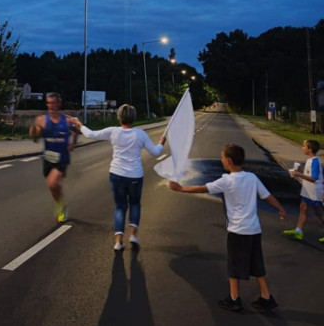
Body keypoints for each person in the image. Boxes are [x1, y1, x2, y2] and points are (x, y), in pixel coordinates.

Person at [169, 143, 286, 312]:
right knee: (256, 264)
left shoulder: (227, 181)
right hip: (254, 229)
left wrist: (180, 189)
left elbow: (202, 188)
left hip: (238, 230)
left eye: (223, 157)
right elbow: (267, 197)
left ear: (229, 161)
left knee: (233, 265)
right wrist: (280, 209)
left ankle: (234, 299)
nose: (222, 160)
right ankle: (266, 297)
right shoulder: (252, 178)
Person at [74, 104, 166, 251]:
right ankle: (134, 236)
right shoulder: (140, 134)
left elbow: (90, 134)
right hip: (135, 176)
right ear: (134, 118)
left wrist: (79, 124)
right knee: (135, 204)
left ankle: (118, 242)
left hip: (116, 175)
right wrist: (161, 143)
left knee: (120, 207)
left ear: (119, 117)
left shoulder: (113, 132)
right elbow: (155, 152)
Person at [29, 92, 78, 223]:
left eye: (54, 103)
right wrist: (34, 133)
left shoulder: (66, 120)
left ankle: (61, 208)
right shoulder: (41, 120)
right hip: (48, 157)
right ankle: (61, 204)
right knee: (52, 186)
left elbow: (76, 130)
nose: (52, 106)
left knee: (53, 183)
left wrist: (73, 143)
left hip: (62, 157)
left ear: (59, 104)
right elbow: (35, 139)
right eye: (49, 103)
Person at [283, 139, 324, 242]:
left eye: (304, 146)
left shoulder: (315, 161)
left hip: (314, 191)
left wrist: (298, 174)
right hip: (308, 190)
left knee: (318, 211)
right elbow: (309, 174)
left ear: (310, 149)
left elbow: (314, 178)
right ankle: (298, 231)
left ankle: (298, 231)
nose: (302, 148)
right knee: (303, 208)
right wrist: (301, 169)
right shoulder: (310, 160)